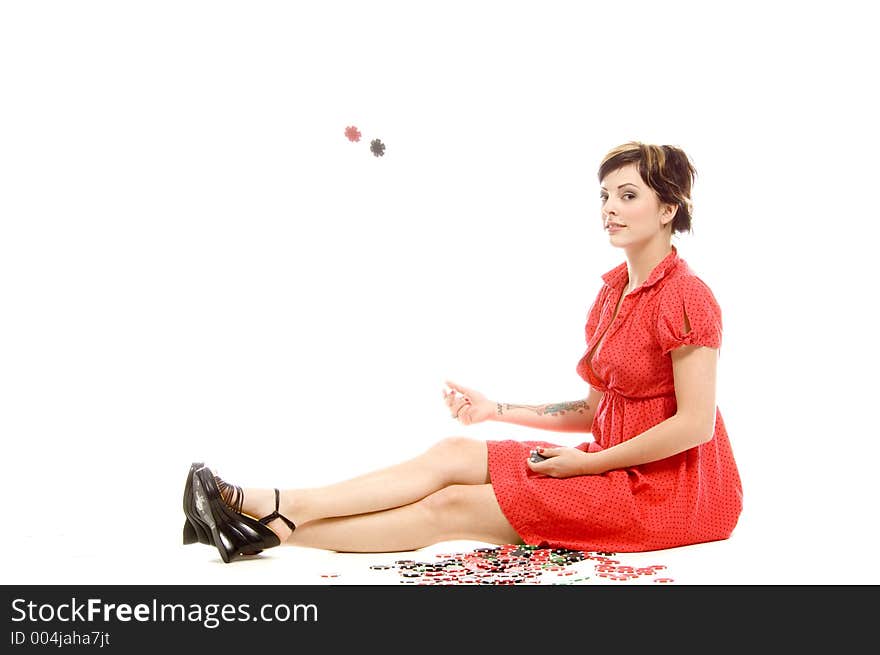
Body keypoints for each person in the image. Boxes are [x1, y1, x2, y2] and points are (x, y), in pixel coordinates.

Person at [182, 141, 743, 564]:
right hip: (611, 464)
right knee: (453, 450)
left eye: (628, 196)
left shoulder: (687, 297)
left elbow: (694, 425)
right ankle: (272, 509)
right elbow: (595, 412)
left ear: (669, 209)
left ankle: (264, 519)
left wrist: (589, 464)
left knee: (450, 506)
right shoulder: (611, 294)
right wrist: (496, 410)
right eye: (604, 195)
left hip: (671, 494)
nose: (609, 209)